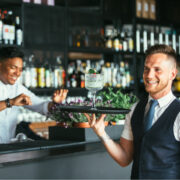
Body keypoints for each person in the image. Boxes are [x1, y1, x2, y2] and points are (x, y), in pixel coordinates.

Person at [84, 44, 180, 179]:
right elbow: (124, 159)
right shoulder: (135, 109)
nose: (149, 75)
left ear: (172, 74)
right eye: (146, 69)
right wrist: (102, 133)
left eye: (157, 69)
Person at [0, 46, 68, 144]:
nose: (17, 73)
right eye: (13, 68)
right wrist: (10, 102)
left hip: (7, 150)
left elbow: (39, 105)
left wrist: (54, 103)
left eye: (20, 69)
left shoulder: (17, 88)